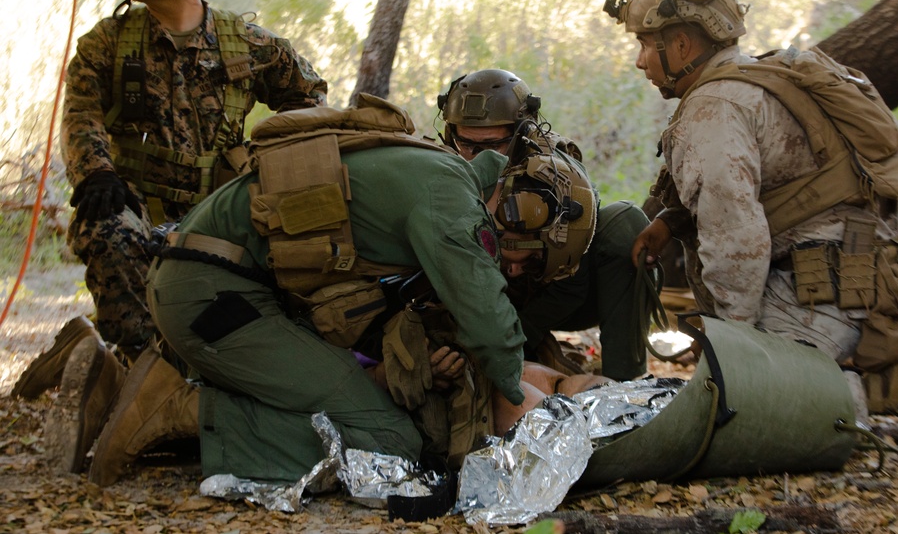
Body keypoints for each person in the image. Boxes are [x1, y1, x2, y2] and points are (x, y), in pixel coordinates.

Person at [50, 97, 600, 487]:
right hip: (213, 296)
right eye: (525, 257)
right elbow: (490, 322)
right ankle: (176, 406)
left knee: (353, 400)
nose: (512, 266)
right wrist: (514, 390)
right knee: (386, 438)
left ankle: (124, 385)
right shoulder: (451, 201)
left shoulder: (435, 170)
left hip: (218, 289)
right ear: (526, 212)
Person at [605, 0, 898, 455]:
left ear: (681, 44)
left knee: (747, 404)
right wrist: (669, 220)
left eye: (644, 44)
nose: (640, 60)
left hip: (827, 290)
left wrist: (738, 353)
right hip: (871, 275)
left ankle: (888, 387)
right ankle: (880, 370)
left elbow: (735, 240)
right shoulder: (762, 74)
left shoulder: (711, 109)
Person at [13, 0, 327, 409]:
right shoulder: (108, 43)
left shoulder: (245, 43)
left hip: (222, 216)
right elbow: (81, 114)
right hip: (140, 210)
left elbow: (310, 100)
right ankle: (144, 382)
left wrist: (271, 161)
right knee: (106, 227)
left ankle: (119, 363)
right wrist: (96, 172)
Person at [438, 69, 653, 380]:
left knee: (624, 222)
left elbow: (571, 284)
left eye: (490, 146)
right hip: (480, 297)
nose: (476, 157)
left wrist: (521, 337)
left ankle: (624, 383)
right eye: (465, 143)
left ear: (521, 134)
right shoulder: (442, 164)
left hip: (555, 295)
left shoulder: (556, 175)